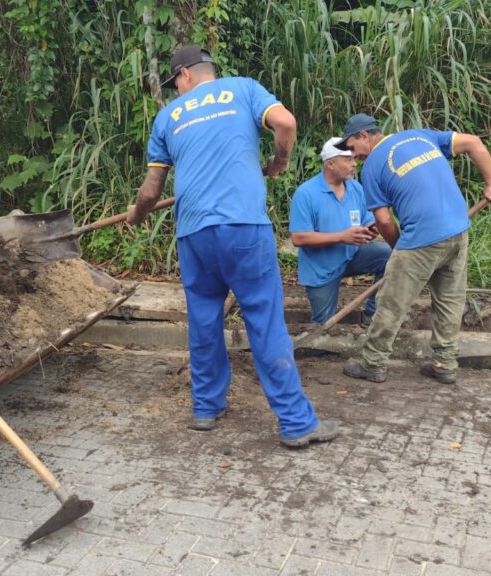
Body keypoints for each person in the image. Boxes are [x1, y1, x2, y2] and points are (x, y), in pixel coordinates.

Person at [126, 45, 340, 448]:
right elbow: (286, 123)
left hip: (194, 233)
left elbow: (151, 191)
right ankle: (296, 424)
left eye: (175, 83)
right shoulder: (242, 89)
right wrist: (279, 161)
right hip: (242, 226)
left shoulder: (167, 117)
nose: (176, 90)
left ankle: (206, 407)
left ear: (185, 75)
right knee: (264, 319)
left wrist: (135, 215)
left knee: (204, 320)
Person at [335, 113, 491, 385]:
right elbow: (474, 142)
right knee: (449, 300)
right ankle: (444, 363)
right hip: (458, 230)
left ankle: (373, 363)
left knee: (391, 302)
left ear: (364, 136)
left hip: (422, 237)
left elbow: (384, 220)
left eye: (352, 147)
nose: (354, 156)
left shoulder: (374, 164)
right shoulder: (421, 135)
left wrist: (400, 251)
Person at [289, 137, 392, 330]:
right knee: (322, 332)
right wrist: (342, 237)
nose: (354, 164)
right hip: (322, 269)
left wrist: (372, 227)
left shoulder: (355, 188)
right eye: (347, 159)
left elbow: (366, 218)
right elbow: (298, 238)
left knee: (389, 256)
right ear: (330, 163)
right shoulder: (306, 194)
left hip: (352, 256)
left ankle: (373, 316)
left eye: (354, 158)